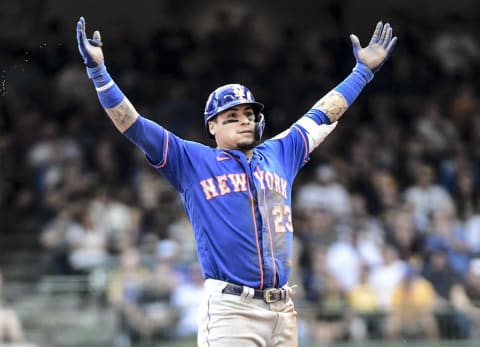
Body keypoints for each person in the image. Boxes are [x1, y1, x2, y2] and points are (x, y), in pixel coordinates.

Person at [76, 16, 397, 347]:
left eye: (249, 115)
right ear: (212, 126)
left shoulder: (279, 152)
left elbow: (325, 112)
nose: (243, 121)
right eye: (232, 117)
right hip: (232, 310)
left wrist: (363, 72)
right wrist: (99, 73)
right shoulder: (193, 161)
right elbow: (133, 124)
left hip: (283, 308)